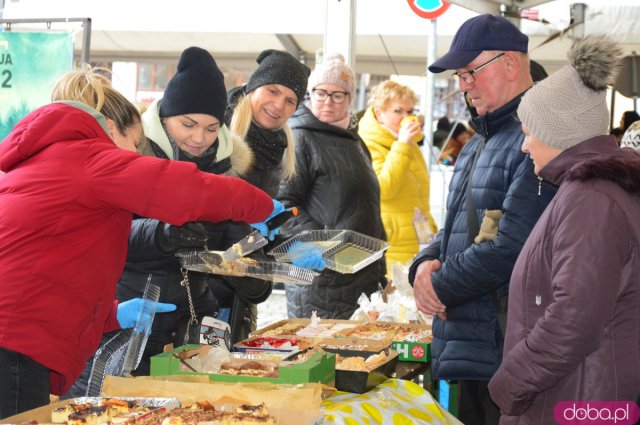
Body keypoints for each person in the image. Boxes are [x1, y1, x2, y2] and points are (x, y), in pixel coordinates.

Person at [0, 66, 281, 417]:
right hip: (15, 340)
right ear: (111, 128)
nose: (135, 154)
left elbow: (59, 262)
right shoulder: (92, 158)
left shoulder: (54, 159)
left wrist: (110, 315)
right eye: (134, 144)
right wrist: (262, 205)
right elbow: (183, 188)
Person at [408, 14, 557, 425]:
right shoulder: (477, 143)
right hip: (465, 346)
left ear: (510, 64)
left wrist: (435, 286)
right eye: (460, 75)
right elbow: (454, 231)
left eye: (470, 72)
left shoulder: (537, 139)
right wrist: (421, 267)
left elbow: (511, 247)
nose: (462, 84)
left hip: (506, 352)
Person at [488, 35, 640, 423]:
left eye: (528, 132)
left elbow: (574, 319)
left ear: (558, 133)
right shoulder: (589, 190)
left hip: (574, 401)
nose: (524, 146)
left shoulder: (592, 199)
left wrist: (508, 383)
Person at [112, 46, 281, 376]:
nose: (198, 138)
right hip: (135, 321)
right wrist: (162, 233)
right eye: (188, 124)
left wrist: (249, 271)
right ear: (163, 119)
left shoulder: (226, 175)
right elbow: (110, 236)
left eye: (211, 128)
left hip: (199, 328)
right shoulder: (131, 164)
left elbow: (259, 282)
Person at [278, 53, 387, 319]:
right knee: (323, 356)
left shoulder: (354, 141)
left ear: (350, 99)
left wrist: (380, 267)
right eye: (321, 92)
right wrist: (324, 247)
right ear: (309, 94)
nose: (328, 101)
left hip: (361, 276)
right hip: (321, 280)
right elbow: (283, 205)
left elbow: (365, 207)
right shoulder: (300, 138)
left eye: (338, 95)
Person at [218, 49, 311, 343]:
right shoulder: (217, 131)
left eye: (290, 101)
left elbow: (261, 228)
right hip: (208, 289)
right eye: (272, 91)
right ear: (253, 86)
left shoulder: (278, 147)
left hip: (243, 292)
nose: (278, 105)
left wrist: (288, 247)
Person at [358, 80, 438, 270]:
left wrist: (430, 232)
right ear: (379, 113)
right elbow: (383, 189)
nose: (406, 117)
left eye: (410, 112)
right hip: (392, 244)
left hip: (419, 239)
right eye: (398, 111)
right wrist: (402, 145)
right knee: (395, 297)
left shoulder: (409, 142)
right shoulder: (368, 143)